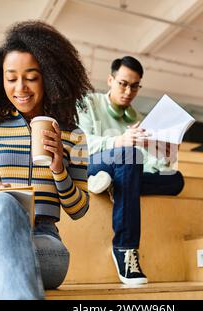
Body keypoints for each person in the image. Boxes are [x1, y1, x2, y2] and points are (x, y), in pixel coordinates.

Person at [0, 21, 92, 299]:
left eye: (31, 76)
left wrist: (59, 169)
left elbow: (79, 209)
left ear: (50, 77)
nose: (20, 87)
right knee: (2, 203)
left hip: (43, 239)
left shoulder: (73, 136)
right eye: (11, 77)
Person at [77, 56, 185, 285]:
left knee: (175, 179)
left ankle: (110, 183)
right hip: (90, 162)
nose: (128, 91)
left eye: (135, 86)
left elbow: (146, 164)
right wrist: (119, 140)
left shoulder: (138, 119)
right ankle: (126, 249)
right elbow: (80, 145)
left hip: (125, 168)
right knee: (129, 153)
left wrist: (164, 155)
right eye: (123, 83)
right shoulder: (87, 103)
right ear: (110, 80)